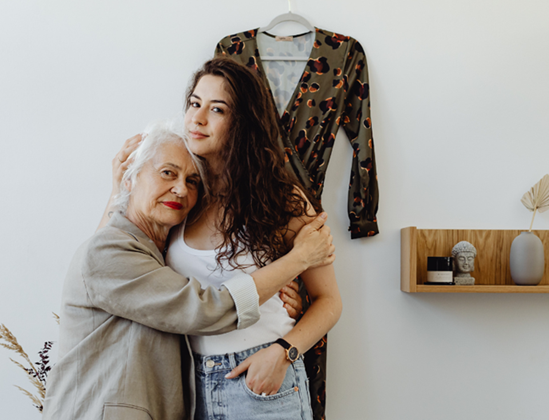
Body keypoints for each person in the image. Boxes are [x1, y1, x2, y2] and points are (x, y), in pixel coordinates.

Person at [41, 121, 335, 420]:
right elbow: (205, 309)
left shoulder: (161, 253)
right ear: (130, 177)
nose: (181, 189)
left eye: (193, 180)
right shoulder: (108, 252)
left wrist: (284, 318)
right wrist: (298, 260)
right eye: (167, 172)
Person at [173, 57, 343, 420]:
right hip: (185, 386)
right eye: (194, 103)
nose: (197, 118)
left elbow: (329, 301)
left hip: (261, 383)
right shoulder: (182, 194)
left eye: (216, 109)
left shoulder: (282, 199)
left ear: (242, 121)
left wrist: (284, 352)